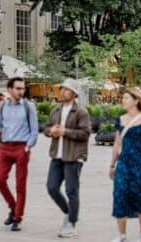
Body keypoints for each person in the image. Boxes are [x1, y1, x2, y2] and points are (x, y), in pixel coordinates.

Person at [43, 79, 91, 238]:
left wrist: (65, 132)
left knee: (71, 190)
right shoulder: (56, 110)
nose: (62, 92)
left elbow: (85, 134)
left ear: (74, 93)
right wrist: (51, 131)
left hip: (73, 156)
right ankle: (69, 212)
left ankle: (71, 223)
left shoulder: (81, 112)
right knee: (51, 187)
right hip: (57, 155)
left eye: (66, 90)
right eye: (62, 89)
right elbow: (46, 128)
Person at [109, 88, 141, 242]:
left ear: (136, 100)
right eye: (123, 98)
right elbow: (117, 143)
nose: (123, 100)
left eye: (126, 98)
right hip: (124, 164)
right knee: (120, 195)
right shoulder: (121, 119)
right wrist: (112, 165)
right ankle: (121, 235)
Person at [0, 77, 38, 232]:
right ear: (10, 89)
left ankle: (18, 218)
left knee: (20, 185)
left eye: (22, 88)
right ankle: (13, 207)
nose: (21, 91)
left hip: (21, 148)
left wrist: (27, 147)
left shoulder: (28, 106)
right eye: (18, 88)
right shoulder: (3, 106)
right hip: (5, 147)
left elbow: (34, 131)